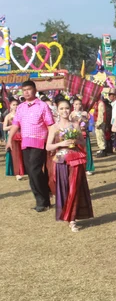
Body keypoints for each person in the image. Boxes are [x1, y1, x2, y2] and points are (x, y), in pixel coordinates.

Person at [46, 98, 94, 232]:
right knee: (64, 189)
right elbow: (48, 146)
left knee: (74, 188)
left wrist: (76, 140)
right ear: (57, 110)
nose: (64, 111)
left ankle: (72, 219)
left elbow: (83, 143)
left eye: (66, 108)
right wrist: (60, 144)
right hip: (61, 161)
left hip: (76, 159)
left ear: (70, 109)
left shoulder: (75, 125)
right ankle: (66, 214)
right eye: (61, 109)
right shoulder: (54, 128)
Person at [6, 80, 54, 212]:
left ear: (35, 90)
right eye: (24, 90)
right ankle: (42, 199)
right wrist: (9, 140)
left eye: (29, 89)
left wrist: (53, 142)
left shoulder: (43, 106)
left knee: (35, 170)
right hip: (25, 143)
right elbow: (16, 124)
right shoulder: (21, 107)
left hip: (40, 142)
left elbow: (50, 125)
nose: (26, 92)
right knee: (32, 173)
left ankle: (43, 201)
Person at [70, 98, 95, 176]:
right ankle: (80, 167)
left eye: (79, 104)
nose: (78, 105)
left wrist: (85, 123)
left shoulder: (85, 113)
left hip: (85, 134)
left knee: (87, 151)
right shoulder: (71, 114)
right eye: (76, 104)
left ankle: (88, 168)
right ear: (73, 105)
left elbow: (89, 123)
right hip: (76, 135)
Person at [3, 98, 24, 179]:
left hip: (22, 136)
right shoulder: (8, 116)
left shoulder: (21, 114)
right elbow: (4, 128)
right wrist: (13, 126)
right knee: (15, 155)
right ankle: (17, 173)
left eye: (17, 104)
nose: (15, 106)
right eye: (13, 105)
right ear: (10, 106)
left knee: (23, 154)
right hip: (13, 137)